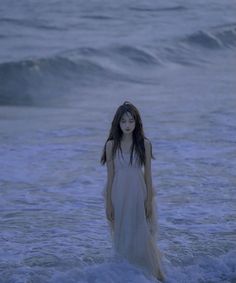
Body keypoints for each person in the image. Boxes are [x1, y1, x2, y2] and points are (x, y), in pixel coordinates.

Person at [100, 101, 166, 281]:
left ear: (137, 122)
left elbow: (148, 175)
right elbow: (110, 176)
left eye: (131, 121)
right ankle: (127, 275)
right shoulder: (111, 145)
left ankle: (153, 275)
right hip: (118, 194)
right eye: (123, 121)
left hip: (139, 192)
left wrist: (149, 201)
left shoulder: (144, 144)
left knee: (142, 233)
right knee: (123, 234)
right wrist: (108, 205)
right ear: (117, 123)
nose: (127, 125)